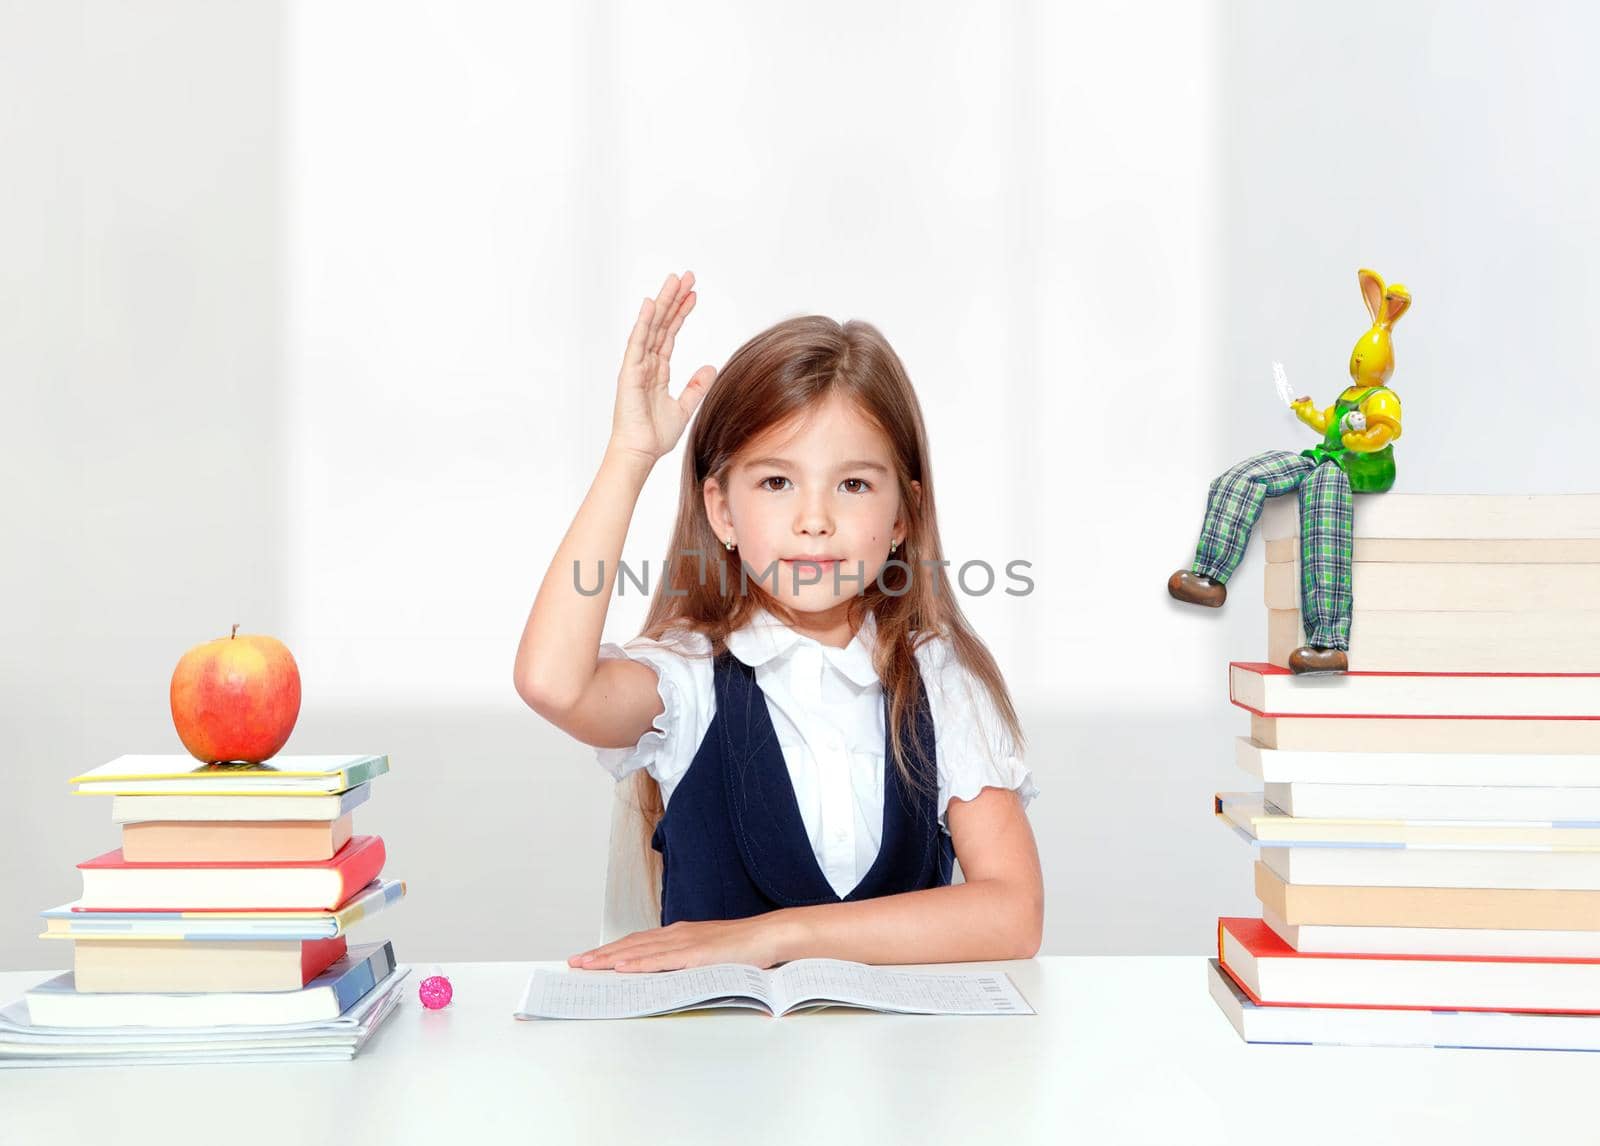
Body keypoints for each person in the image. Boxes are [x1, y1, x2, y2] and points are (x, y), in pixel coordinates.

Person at [514, 271, 1043, 972]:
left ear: (901, 517)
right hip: (718, 1073)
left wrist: (776, 936)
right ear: (723, 512)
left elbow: (1013, 912)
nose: (815, 520)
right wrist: (631, 455)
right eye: (775, 482)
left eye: (853, 484)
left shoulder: (938, 677)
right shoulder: (691, 677)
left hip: (907, 1076)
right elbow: (554, 684)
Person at [1167, 268, 1410, 675]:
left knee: (1324, 511)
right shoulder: (1350, 395)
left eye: (1367, 356)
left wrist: (1361, 439)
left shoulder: (1382, 397)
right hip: (1325, 454)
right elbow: (1326, 422)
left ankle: (1327, 643)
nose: (1360, 361)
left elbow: (1384, 434)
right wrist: (1305, 412)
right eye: (1358, 355)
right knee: (1252, 472)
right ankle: (1207, 574)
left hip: (1354, 470)